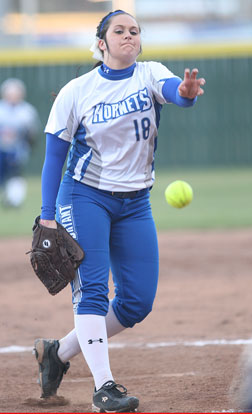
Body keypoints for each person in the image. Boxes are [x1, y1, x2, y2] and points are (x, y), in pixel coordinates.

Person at [33, 9, 205, 412]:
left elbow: (176, 93)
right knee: (92, 291)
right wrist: (46, 215)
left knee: (136, 303)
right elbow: (53, 159)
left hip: (135, 203)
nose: (129, 36)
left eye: (135, 31)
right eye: (119, 30)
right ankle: (103, 388)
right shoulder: (78, 90)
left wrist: (187, 92)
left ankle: (56, 355)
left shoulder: (149, 74)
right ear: (102, 42)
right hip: (83, 196)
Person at [0, 78, 40, 207]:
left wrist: (27, 147)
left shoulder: (26, 111)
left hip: (17, 150)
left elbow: (32, 134)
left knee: (15, 174)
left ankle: (14, 200)